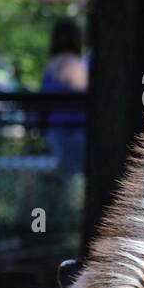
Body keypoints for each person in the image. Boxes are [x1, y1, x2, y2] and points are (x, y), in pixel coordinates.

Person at [41, 19, 88, 178]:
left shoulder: (50, 65)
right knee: (77, 181)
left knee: (66, 178)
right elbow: (83, 91)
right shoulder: (75, 65)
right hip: (76, 131)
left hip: (55, 131)